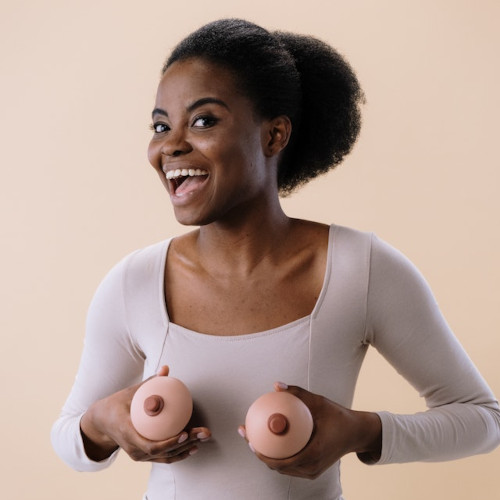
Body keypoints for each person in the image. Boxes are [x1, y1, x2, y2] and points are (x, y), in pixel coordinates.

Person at [51, 18, 500, 500]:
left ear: (274, 135)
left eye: (203, 120)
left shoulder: (359, 269)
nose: (171, 145)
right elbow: (69, 437)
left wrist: (361, 431)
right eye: (161, 126)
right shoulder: (135, 282)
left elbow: (482, 419)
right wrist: (102, 425)